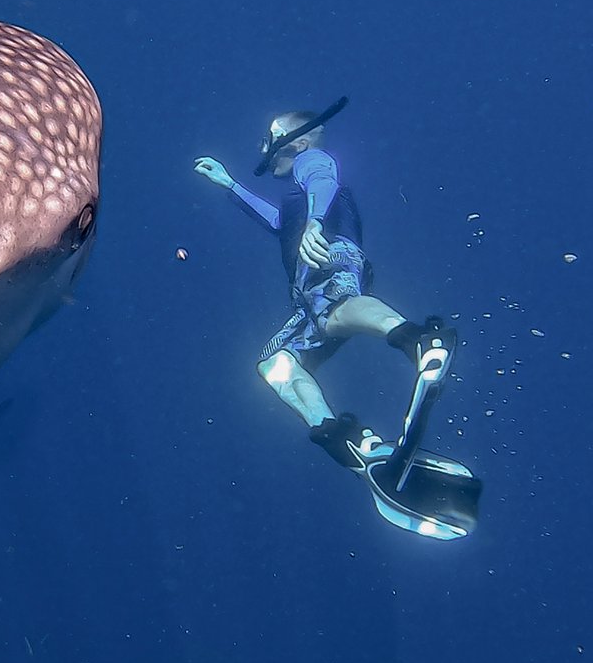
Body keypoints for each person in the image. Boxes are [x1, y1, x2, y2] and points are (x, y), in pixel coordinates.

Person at [193, 111, 453, 473]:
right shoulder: (295, 196)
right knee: (274, 363)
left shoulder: (310, 161)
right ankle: (337, 433)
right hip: (308, 293)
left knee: (336, 308)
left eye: (271, 138)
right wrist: (229, 184)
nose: (265, 148)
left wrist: (314, 224)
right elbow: (278, 223)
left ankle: (417, 339)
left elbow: (322, 179)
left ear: (297, 142)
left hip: (331, 257)